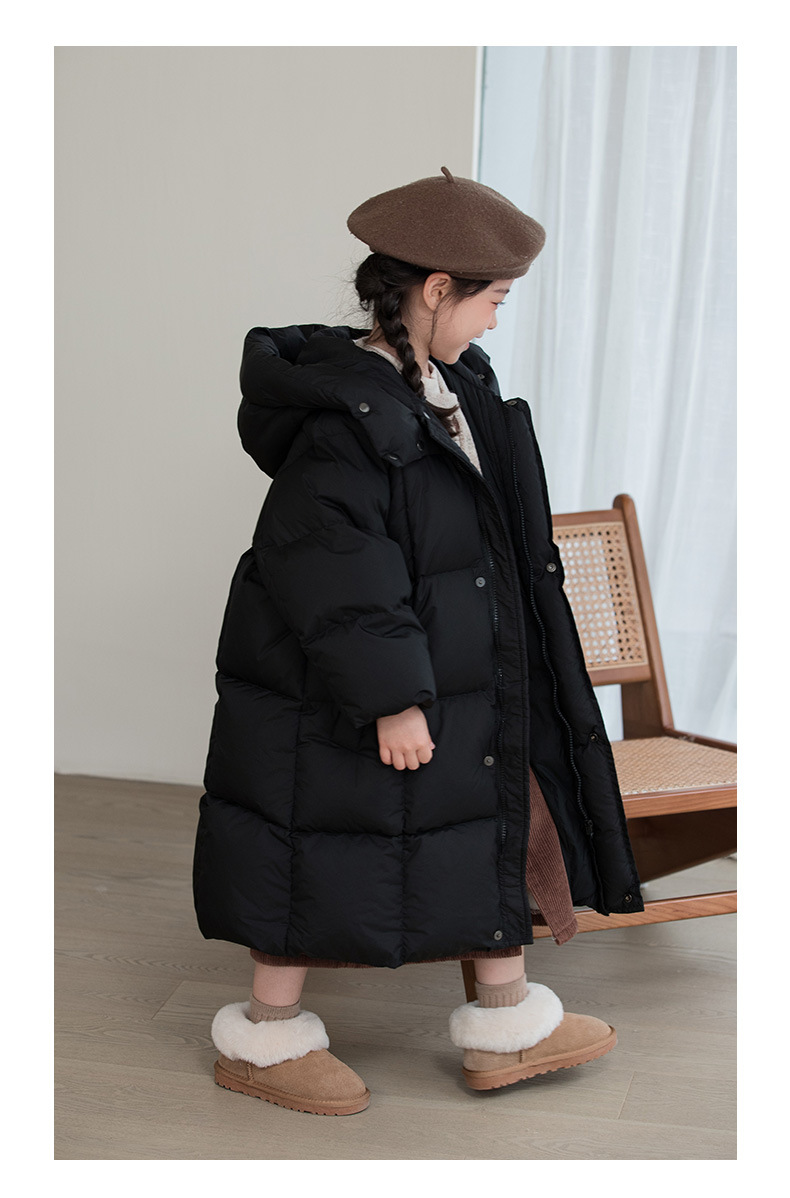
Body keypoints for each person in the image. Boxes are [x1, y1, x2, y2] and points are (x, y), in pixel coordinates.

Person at [193, 167, 643, 1116]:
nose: (496, 321)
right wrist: (393, 695)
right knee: (316, 842)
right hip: (353, 688)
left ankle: (507, 1022)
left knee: (496, 825)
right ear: (437, 289)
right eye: (494, 300)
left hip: (462, 672)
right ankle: (266, 1038)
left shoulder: (448, 384)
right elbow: (333, 564)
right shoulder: (348, 416)